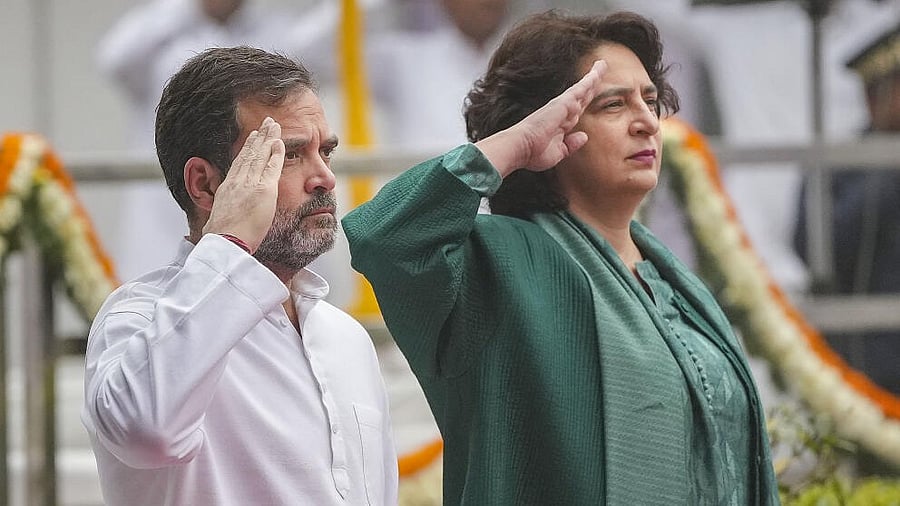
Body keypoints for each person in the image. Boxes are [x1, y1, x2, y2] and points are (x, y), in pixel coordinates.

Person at [343, 10, 779, 505]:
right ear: (549, 126)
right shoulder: (497, 262)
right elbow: (383, 238)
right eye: (613, 105)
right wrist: (511, 147)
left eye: (651, 101)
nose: (646, 123)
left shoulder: (678, 284)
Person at [81, 46, 398, 505]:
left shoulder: (345, 336)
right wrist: (230, 242)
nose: (325, 178)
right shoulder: (136, 318)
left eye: (325, 152)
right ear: (205, 184)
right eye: (289, 155)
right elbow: (146, 431)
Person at [794, 19, 900, 395]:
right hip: (867, 365)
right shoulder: (837, 165)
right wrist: (886, 163)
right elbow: (816, 250)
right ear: (874, 96)